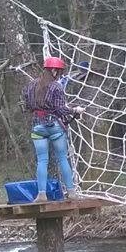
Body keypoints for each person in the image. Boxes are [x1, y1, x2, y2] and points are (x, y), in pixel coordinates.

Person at [22, 57, 85, 202]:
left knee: (42, 160)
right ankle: (71, 192)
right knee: (62, 158)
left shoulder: (31, 86)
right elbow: (61, 109)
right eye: (60, 72)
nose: (61, 75)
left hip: (37, 127)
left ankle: (42, 194)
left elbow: (27, 106)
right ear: (55, 71)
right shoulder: (56, 87)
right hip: (55, 127)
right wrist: (76, 109)